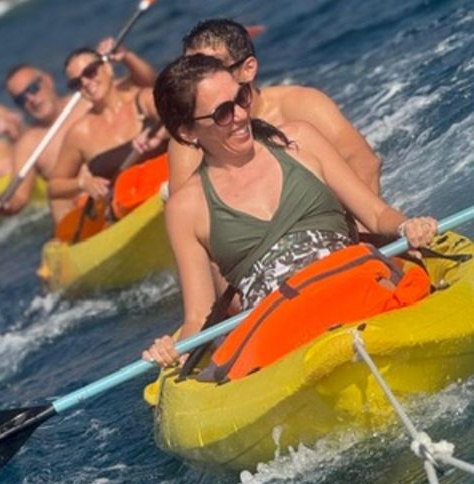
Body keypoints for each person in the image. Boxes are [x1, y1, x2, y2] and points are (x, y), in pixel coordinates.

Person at [141, 55, 437, 368]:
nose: (242, 115)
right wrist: (172, 349)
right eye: (223, 113)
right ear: (188, 132)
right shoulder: (185, 208)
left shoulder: (299, 141)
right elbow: (199, 318)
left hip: (358, 284)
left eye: (242, 97)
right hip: (282, 334)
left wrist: (406, 226)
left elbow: (376, 215)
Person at [168, 18, 381, 195]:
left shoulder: (300, 105)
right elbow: (188, 210)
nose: (202, 79)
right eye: (193, 70)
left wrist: (358, 228)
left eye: (213, 66)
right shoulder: (192, 140)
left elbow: (362, 161)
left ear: (248, 69)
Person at [49, 41, 165, 205]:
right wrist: (82, 183)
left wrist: (161, 134)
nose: (86, 83)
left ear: (108, 69)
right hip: (127, 208)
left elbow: (182, 118)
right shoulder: (79, 133)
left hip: (169, 186)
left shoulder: (143, 100)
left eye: (90, 72)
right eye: (77, 82)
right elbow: (54, 186)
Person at [0, 63, 91, 222]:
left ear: (47, 81)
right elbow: (20, 196)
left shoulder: (85, 101)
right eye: (21, 99)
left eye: (33, 89)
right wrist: (6, 205)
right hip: (81, 214)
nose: (31, 99)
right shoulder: (28, 144)